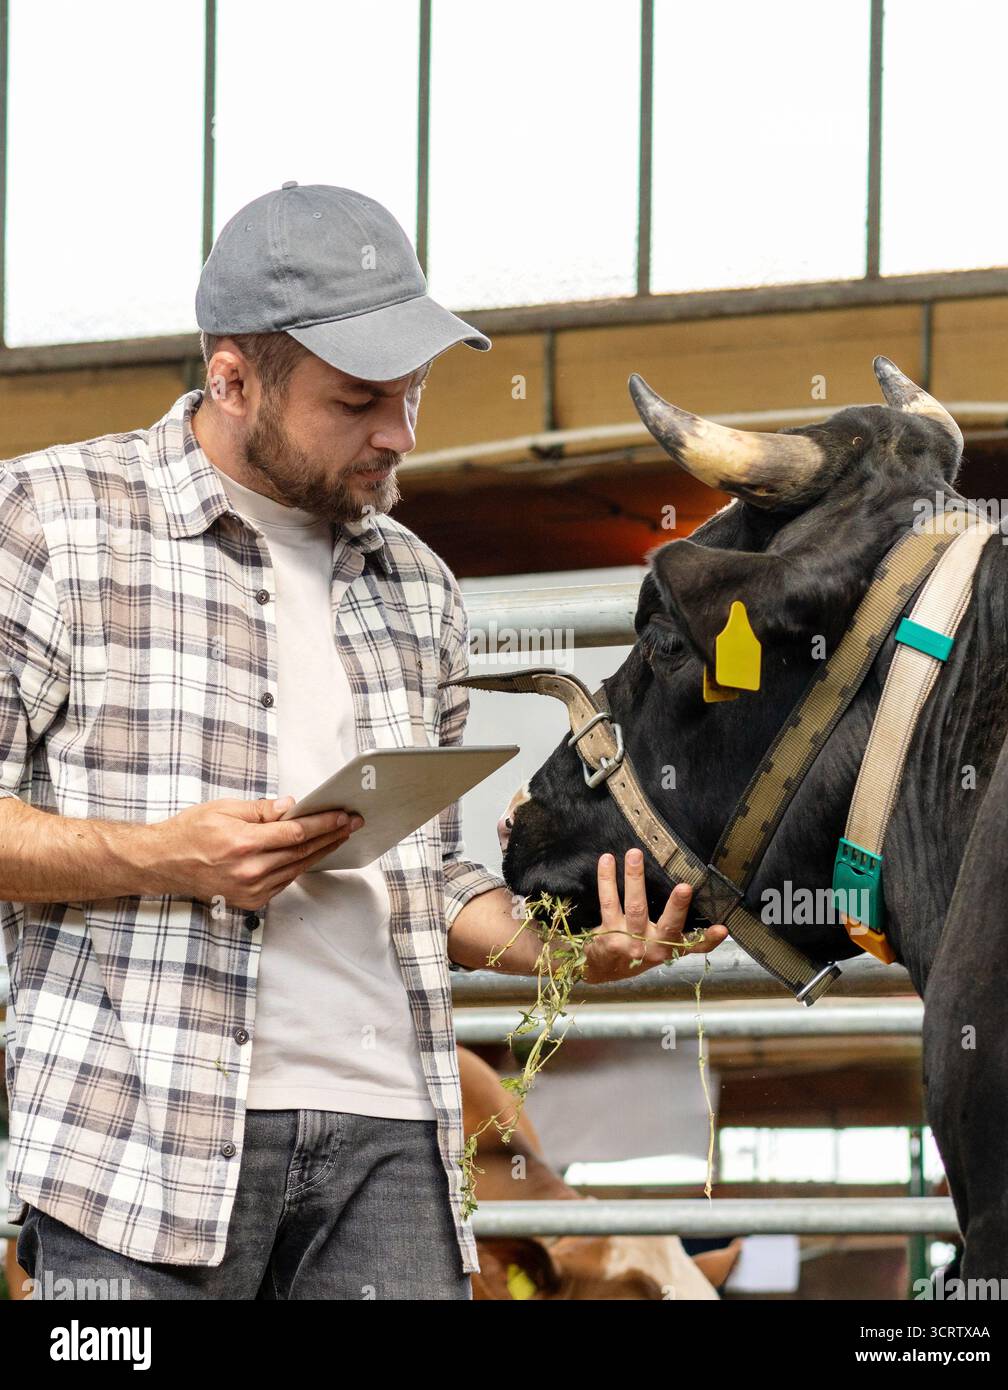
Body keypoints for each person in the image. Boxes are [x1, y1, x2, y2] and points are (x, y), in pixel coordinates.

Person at [0, 183, 727, 1301]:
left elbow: (426, 882)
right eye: (355, 401)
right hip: (141, 1150)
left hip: (391, 1142)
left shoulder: (417, 584)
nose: (399, 433)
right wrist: (165, 857)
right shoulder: (48, 527)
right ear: (231, 375)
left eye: (411, 392)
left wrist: (567, 950)